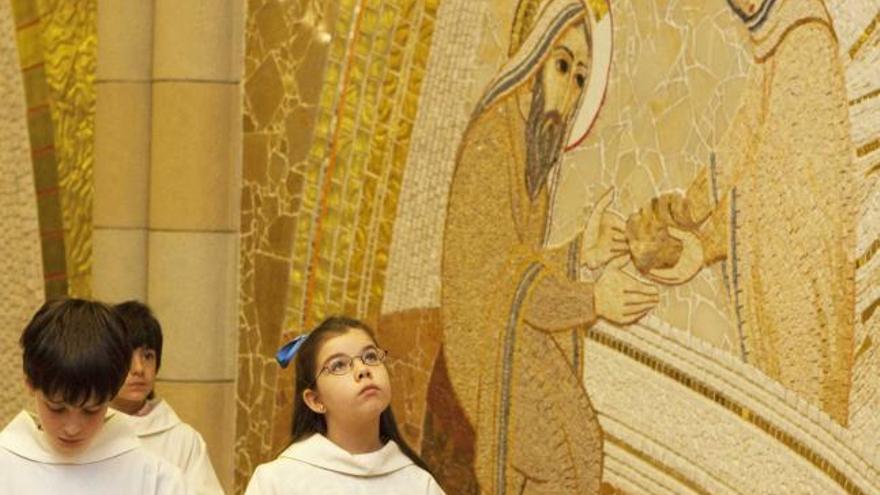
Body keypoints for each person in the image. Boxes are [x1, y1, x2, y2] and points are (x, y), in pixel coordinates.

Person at [441, 0, 657, 492]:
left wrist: (582, 254)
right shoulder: (495, 142)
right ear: (533, 57)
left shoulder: (531, 147)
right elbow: (503, 279)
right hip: (486, 346)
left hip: (511, 330)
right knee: (565, 460)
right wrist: (594, 300)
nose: (567, 91)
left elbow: (520, 267)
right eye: (561, 66)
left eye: (580, 78)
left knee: (582, 448)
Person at [625, 0, 856, 425]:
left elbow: (777, 185)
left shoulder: (804, 39)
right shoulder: (778, 47)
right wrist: (682, 214)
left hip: (802, 291)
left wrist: (696, 237)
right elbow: (739, 147)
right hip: (772, 280)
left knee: (797, 411)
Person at [0, 298, 188, 494]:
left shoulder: (154, 479)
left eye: (91, 410)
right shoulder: (5, 465)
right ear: (30, 383)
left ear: (113, 391)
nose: (72, 429)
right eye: (57, 408)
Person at [245, 316, 445, 494]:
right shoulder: (276, 482)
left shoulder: (419, 484)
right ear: (315, 400)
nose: (363, 370)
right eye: (339, 365)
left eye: (371, 357)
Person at [110, 301, 224, 495]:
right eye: (127, 356)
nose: (138, 369)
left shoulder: (183, 441)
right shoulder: (85, 432)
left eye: (148, 356)